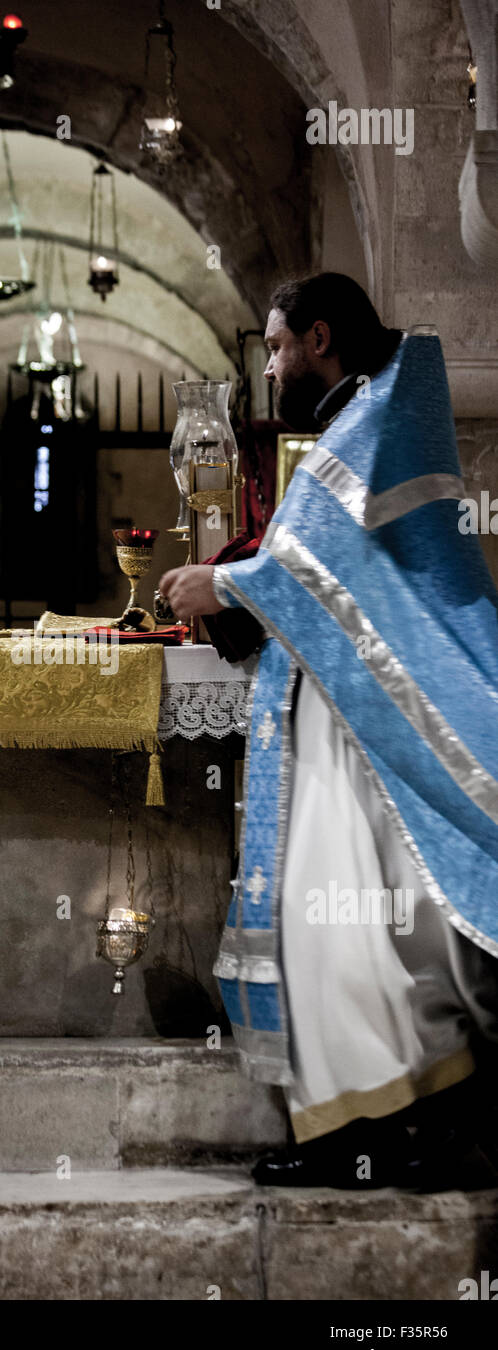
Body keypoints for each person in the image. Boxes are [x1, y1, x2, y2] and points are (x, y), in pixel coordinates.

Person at [159, 272, 498, 1190]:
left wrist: (221, 585)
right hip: (344, 716)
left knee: (343, 929)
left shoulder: (368, 423)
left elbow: (320, 565)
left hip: (356, 738)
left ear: (319, 337)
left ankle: (382, 1134)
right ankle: (391, 1133)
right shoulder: (370, 414)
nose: (269, 368)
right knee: (353, 935)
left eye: (274, 347)